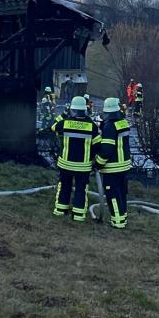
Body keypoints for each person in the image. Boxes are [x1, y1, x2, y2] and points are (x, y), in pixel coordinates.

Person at [50, 96, 100, 221]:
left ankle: (60, 210)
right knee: (81, 189)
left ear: (72, 109)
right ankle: (78, 215)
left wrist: (64, 114)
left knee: (64, 187)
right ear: (85, 109)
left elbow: (53, 127)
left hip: (65, 164)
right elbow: (98, 145)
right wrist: (93, 159)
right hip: (83, 166)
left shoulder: (65, 123)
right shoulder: (92, 126)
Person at [93, 97, 132, 229]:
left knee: (113, 195)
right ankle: (123, 219)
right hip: (124, 166)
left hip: (112, 167)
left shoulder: (110, 126)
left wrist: (97, 164)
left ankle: (118, 222)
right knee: (121, 193)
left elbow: (107, 150)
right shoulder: (123, 122)